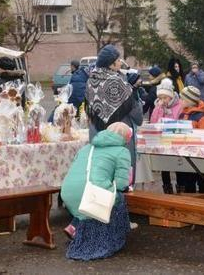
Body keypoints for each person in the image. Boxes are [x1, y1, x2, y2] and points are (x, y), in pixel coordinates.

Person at [60, 123, 132, 261]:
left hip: (68, 192)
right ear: (126, 138)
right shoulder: (122, 152)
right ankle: (112, 237)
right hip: (91, 194)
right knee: (117, 198)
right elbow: (122, 184)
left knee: (87, 202)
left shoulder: (87, 147)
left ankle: (74, 226)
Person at [86, 45, 143, 185]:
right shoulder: (119, 81)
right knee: (121, 177)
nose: (120, 62)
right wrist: (134, 92)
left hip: (98, 135)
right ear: (111, 63)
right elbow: (137, 116)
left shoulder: (90, 81)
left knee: (101, 176)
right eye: (118, 60)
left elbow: (89, 110)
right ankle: (121, 204)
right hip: (119, 137)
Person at [175, 86, 204, 194]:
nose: (180, 101)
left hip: (198, 155)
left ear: (189, 101)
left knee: (201, 178)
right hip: (185, 153)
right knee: (188, 180)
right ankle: (190, 200)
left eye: (182, 99)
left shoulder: (201, 117)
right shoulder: (182, 114)